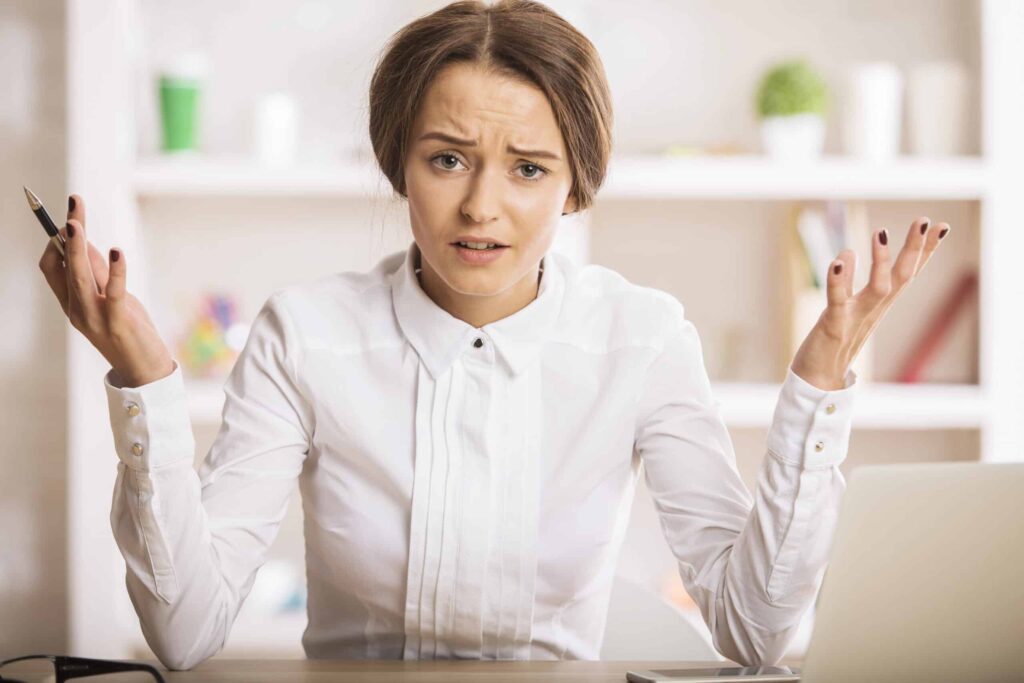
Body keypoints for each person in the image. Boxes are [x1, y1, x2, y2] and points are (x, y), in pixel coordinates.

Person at [37, 0, 950, 672]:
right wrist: (144, 374)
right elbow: (186, 629)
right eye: (446, 159)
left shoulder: (640, 338)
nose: (481, 205)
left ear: (575, 184)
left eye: (527, 167)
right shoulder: (306, 334)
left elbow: (755, 636)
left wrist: (822, 380)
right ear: (399, 162)